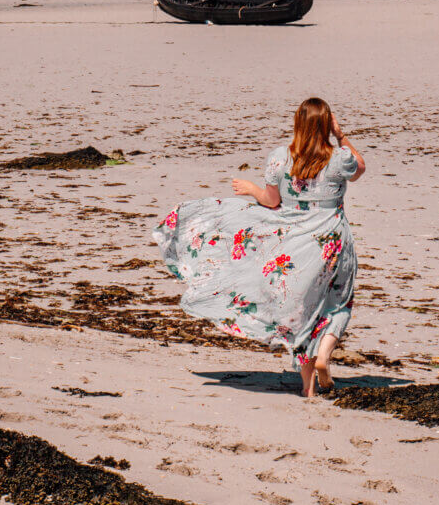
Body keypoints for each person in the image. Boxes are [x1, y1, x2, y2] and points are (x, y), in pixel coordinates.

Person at [153, 97, 366, 397]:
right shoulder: (338, 158)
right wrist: (340, 135)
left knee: (302, 310)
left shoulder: (281, 157)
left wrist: (252, 189)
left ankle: (308, 387)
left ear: (298, 123)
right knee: (337, 303)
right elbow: (360, 168)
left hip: (295, 242)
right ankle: (325, 354)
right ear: (326, 124)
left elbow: (272, 202)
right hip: (331, 240)